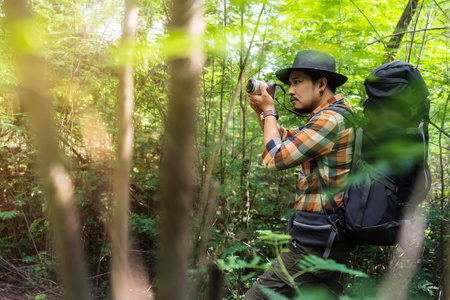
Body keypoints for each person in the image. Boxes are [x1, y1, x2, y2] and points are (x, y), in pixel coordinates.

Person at [244, 50, 356, 299]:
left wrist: (270, 111)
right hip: (327, 238)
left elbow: (275, 158)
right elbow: (284, 140)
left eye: (297, 82)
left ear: (321, 84)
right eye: (290, 84)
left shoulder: (331, 120)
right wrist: (262, 110)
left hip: (315, 246)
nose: (291, 90)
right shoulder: (329, 117)